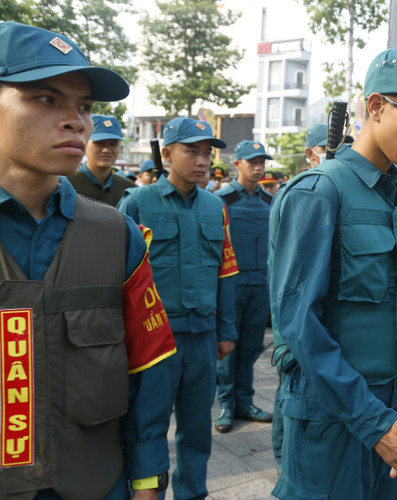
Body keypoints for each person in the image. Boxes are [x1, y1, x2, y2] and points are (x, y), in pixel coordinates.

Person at [268, 46, 397, 499]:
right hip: (331, 412)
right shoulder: (319, 192)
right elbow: (299, 323)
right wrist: (370, 419)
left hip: (394, 406)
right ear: (376, 105)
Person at [0, 21, 176, 499]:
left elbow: (148, 369)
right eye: (46, 98)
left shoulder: (115, 234)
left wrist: (146, 483)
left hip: (95, 484)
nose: (77, 121)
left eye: (84, 106)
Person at [118, 117, 238, 499]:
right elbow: (119, 278)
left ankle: (192, 492)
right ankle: (146, 491)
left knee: (196, 424)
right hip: (155, 339)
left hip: (203, 334)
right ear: (167, 154)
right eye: (192, 151)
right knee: (148, 421)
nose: (202, 161)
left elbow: (226, 270)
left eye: (207, 153)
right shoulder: (136, 203)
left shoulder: (215, 207)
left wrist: (227, 331)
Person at [213, 140, 275, 433]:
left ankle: (245, 401)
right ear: (237, 164)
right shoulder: (221, 200)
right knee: (228, 346)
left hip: (261, 283)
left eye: (262, 161)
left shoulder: (270, 201)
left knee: (251, 347)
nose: (258, 167)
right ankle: (226, 404)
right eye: (252, 162)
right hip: (231, 283)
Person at [66, 114, 135, 206]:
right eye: (99, 143)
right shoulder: (67, 184)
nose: (106, 150)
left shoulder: (128, 188)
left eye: (113, 144)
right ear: (84, 143)